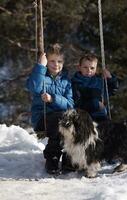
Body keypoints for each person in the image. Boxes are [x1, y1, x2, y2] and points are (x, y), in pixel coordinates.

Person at [26, 44, 74, 174]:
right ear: (47, 62)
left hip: (62, 117)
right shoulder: (41, 75)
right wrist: (40, 66)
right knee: (58, 121)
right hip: (43, 118)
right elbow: (34, 87)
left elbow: (70, 104)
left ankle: (69, 158)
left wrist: (53, 98)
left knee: (73, 122)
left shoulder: (66, 81)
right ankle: (52, 158)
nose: (56, 64)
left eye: (59, 61)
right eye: (52, 61)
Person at [72, 53, 118, 122]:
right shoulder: (75, 83)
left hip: (101, 116)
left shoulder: (99, 81)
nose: (89, 71)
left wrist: (110, 79)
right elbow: (77, 103)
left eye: (92, 68)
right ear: (79, 67)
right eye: (85, 67)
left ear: (96, 69)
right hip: (84, 118)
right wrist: (96, 104)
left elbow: (112, 91)